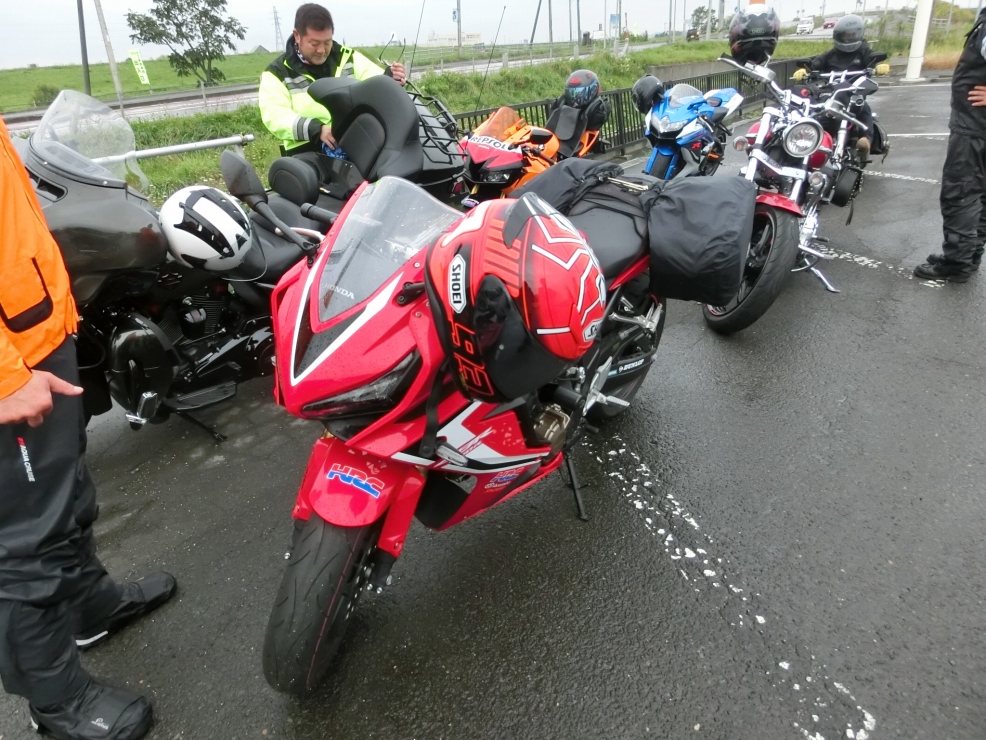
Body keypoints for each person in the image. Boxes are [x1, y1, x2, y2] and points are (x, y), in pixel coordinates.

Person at [0, 115, 176, 739]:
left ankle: (89, 607)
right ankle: (57, 703)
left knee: (67, 493)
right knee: (27, 540)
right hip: (12, 364)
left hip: (38, 333)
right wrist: (5, 375)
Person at [259, 3, 408, 155]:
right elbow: (275, 116)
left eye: (327, 42)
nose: (321, 50)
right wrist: (316, 129)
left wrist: (391, 78)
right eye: (314, 43)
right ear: (297, 36)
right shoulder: (277, 73)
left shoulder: (348, 58)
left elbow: (375, 81)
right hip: (306, 150)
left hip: (355, 142)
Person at [915, 8, 986, 282]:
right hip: (976, 125)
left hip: (975, 128)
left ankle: (957, 263)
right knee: (980, 195)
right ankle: (969, 255)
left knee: (961, 193)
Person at [792, 15, 890, 158]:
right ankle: (809, 140)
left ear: (858, 34)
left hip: (855, 91)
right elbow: (816, 63)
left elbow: (872, 59)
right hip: (831, 92)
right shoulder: (831, 54)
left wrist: (879, 66)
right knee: (814, 110)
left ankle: (866, 140)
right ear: (838, 36)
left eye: (852, 35)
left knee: (864, 108)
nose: (848, 38)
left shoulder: (864, 52)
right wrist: (804, 70)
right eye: (845, 35)